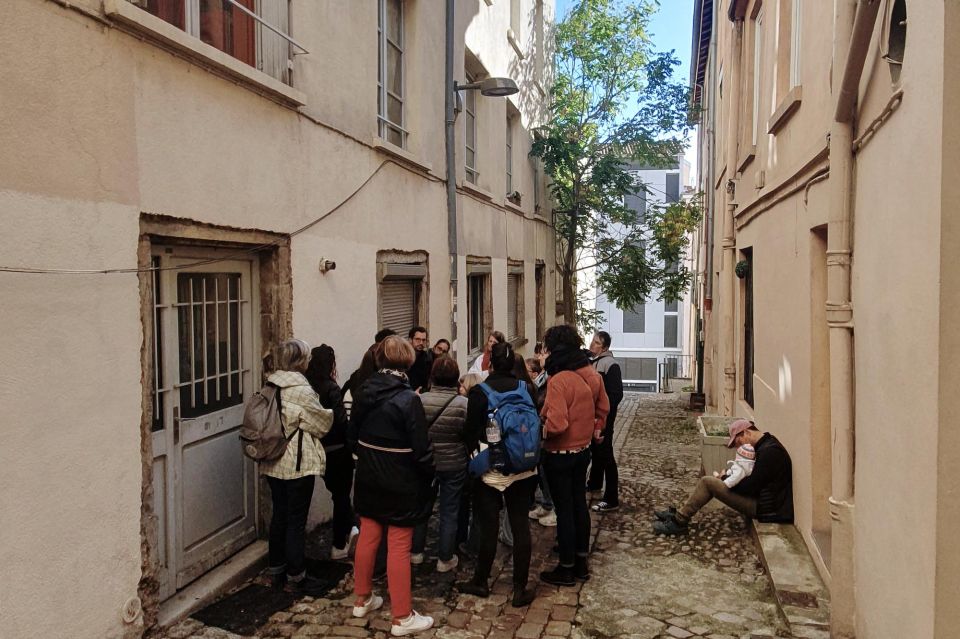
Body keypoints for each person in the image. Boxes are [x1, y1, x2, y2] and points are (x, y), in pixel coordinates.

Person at [348, 336, 435, 635]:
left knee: (369, 535)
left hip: (370, 474)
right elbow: (421, 448)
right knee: (399, 545)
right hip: (400, 478)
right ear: (407, 361)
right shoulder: (408, 399)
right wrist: (429, 472)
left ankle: (362, 598)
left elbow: (353, 435)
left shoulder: (363, 391)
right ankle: (402, 616)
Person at [456, 342, 539, 608]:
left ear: (489, 363)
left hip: (492, 467)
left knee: (488, 526)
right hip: (524, 467)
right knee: (520, 526)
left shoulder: (480, 392)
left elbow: (470, 432)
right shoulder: (527, 388)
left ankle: (481, 581)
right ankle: (519, 588)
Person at [261, 339, 334, 592]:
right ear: (300, 361)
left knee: (279, 515)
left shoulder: (270, 384)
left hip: (273, 460)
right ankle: (296, 576)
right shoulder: (301, 389)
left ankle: (276, 569)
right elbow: (322, 424)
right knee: (295, 519)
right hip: (297, 462)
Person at [539, 325, 609, 586]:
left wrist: (540, 430)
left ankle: (566, 567)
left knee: (565, 510)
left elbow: (557, 423)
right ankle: (581, 562)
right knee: (579, 505)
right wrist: (595, 429)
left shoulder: (560, 379)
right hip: (583, 449)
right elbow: (603, 407)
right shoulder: (590, 374)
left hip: (561, 452)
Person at [652, 419, 794, 535]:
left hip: (766, 509)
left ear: (746, 432)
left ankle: (679, 521)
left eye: (738, 443)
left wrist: (725, 479)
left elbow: (750, 487)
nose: (738, 448)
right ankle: (679, 515)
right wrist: (728, 475)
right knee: (711, 481)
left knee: (707, 482)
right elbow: (749, 476)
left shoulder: (770, 452)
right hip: (763, 503)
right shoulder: (764, 446)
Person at [304, 345, 359, 561]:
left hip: (315, 448)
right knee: (342, 495)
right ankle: (340, 542)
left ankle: (351, 530)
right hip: (337, 450)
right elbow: (340, 421)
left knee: (338, 494)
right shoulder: (331, 388)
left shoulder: (306, 386)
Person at [420, 356, 469, 573]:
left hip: (427, 462)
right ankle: (445, 558)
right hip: (454, 462)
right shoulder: (463, 404)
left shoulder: (419, 400)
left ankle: (415, 552)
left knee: (422, 508)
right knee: (449, 510)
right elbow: (467, 434)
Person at [587, 331, 624, 513]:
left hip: (604, 417)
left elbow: (616, 394)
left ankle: (611, 497)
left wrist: (603, 413)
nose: (592, 345)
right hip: (592, 416)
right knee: (596, 450)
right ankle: (594, 484)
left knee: (606, 453)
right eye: (592, 342)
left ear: (605, 348)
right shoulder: (591, 362)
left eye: (596, 343)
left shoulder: (610, 365)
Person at [406, 326, 433, 393]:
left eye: (423, 340)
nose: (421, 343)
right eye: (417, 339)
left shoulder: (427, 359)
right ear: (410, 340)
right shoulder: (403, 358)